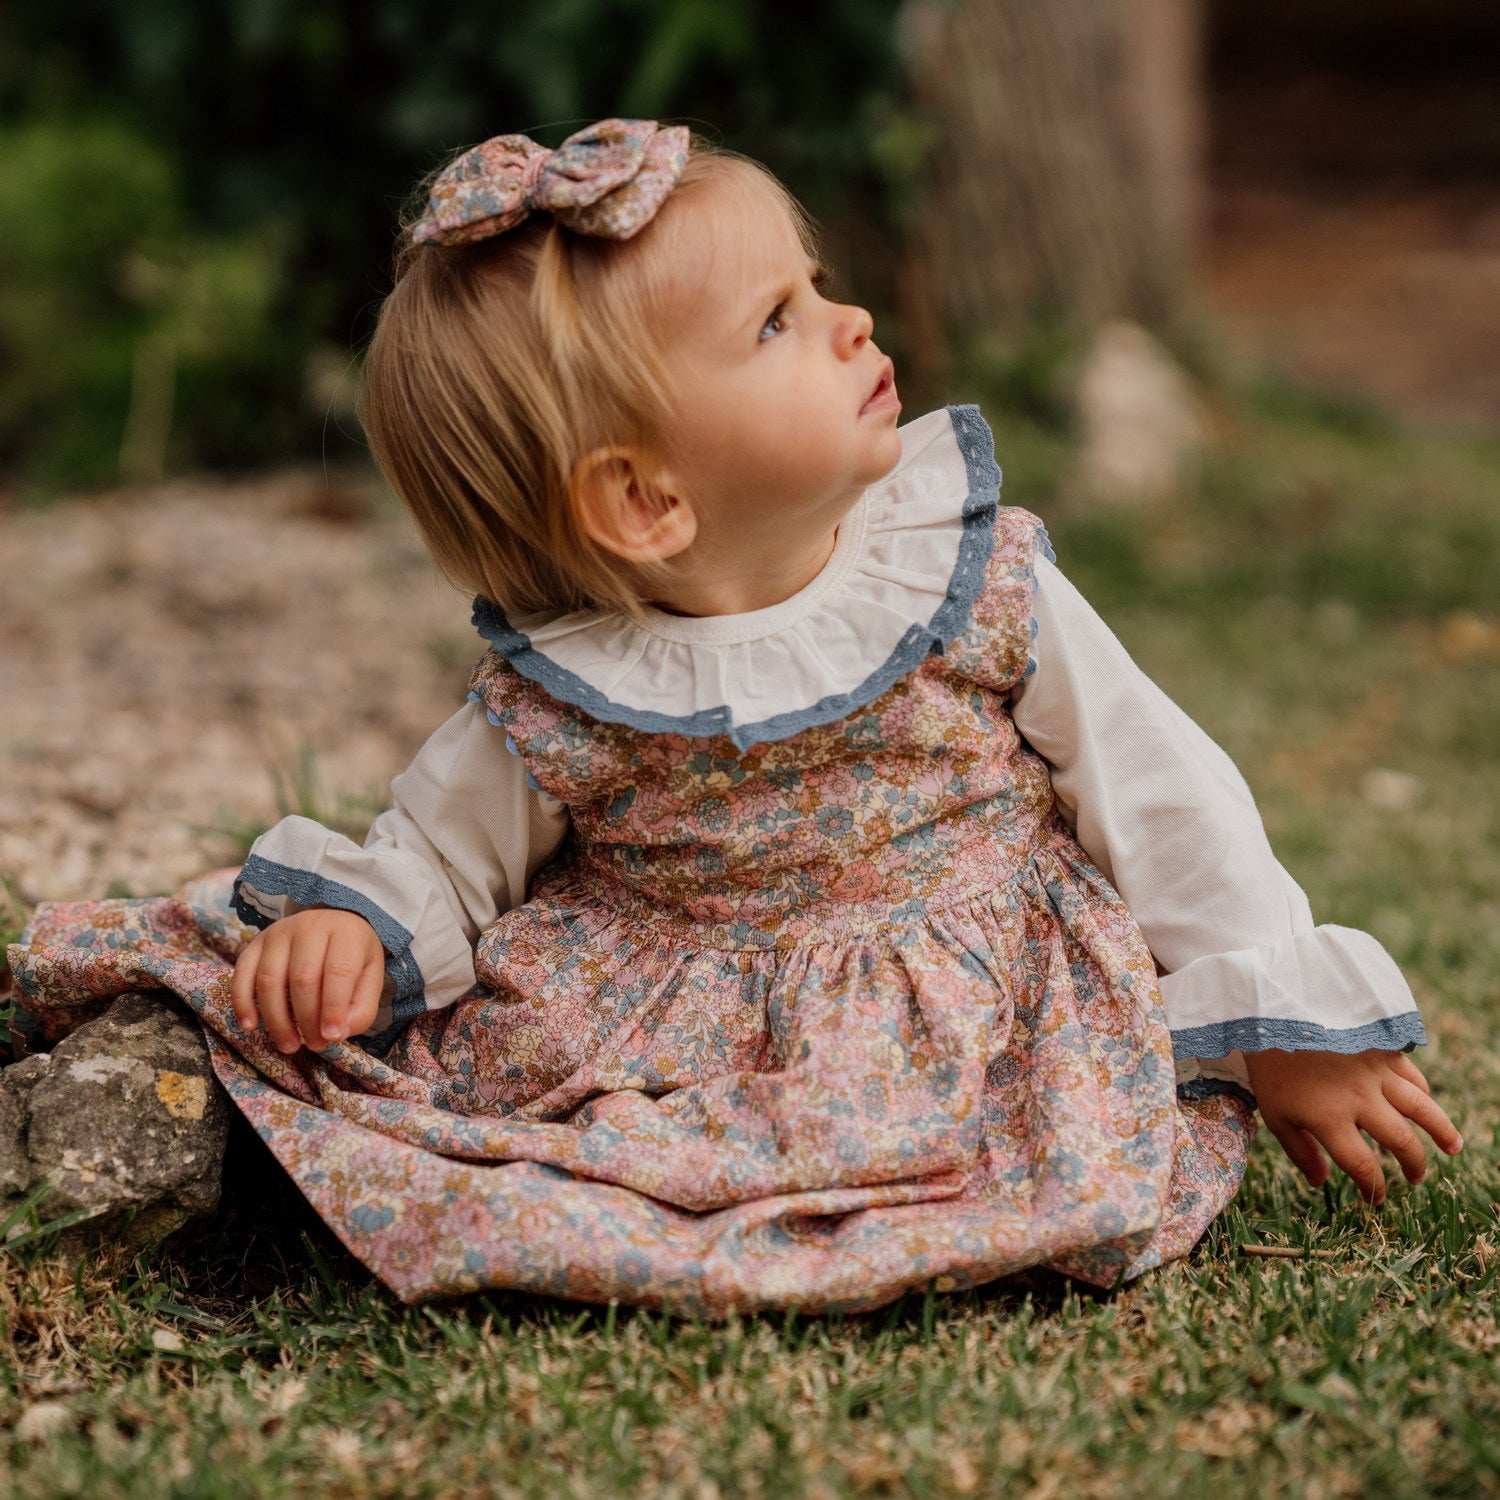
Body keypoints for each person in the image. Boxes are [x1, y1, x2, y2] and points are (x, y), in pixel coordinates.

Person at [12, 121, 1460, 1315]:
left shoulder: (970, 576)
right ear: (646, 500)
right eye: (778, 322)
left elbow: (1161, 791)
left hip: (977, 999)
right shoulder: (574, 683)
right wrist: (360, 926)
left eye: (813, 288)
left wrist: (1279, 1020)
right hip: (677, 1016)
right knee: (541, 1147)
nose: (850, 322)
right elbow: (446, 847)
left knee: (1026, 1150)